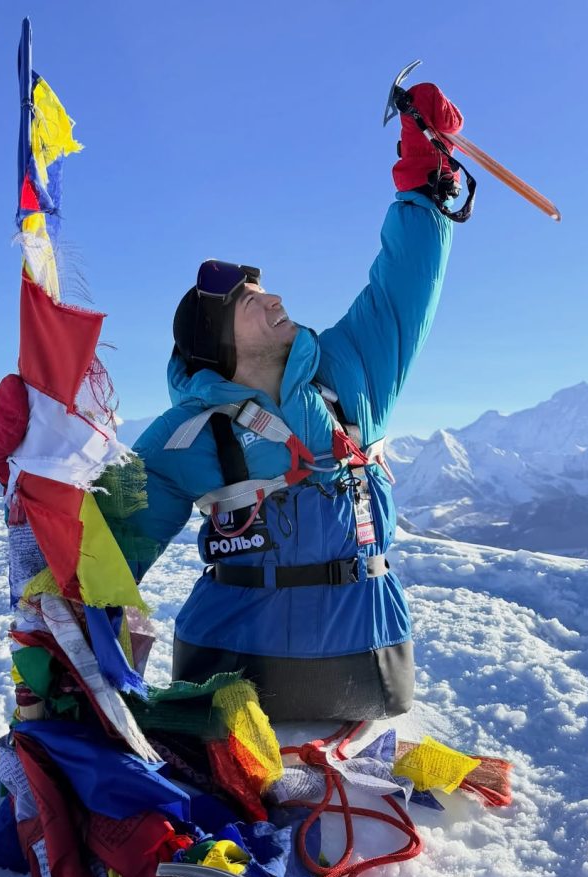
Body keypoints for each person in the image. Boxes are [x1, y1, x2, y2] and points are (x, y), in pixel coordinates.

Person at [115, 83, 464, 722]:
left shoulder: (350, 370)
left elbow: (406, 278)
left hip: (369, 661)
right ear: (216, 344)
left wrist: (424, 173)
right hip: (227, 669)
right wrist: (40, 475)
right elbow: (102, 560)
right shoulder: (180, 436)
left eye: (268, 292)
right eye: (251, 301)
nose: (274, 300)